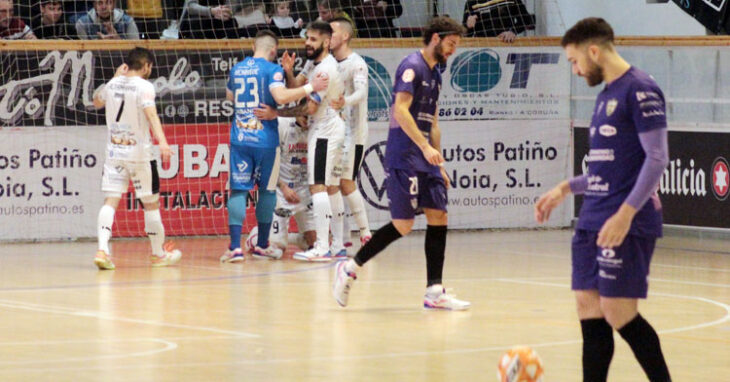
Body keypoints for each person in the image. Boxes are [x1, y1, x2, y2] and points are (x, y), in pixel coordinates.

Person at [534, 18, 671, 382]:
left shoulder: (640, 89)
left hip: (625, 221)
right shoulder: (605, 96)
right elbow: (606, 169)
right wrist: (565, 187)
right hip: (592, 218)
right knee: (588, 307)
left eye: (575, 61)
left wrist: (626, 214)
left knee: (618, 310)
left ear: (593, 51)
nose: (576, 70)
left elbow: (657, 158)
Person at [332, 16, 470, 310]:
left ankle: (434, 291)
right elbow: (400, 110)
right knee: (403, 224)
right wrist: (422, 146)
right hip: (404, 153)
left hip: (425, 156)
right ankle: (351, 267)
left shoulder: (437, 74)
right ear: (436, 38)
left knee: (439, 215)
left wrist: (439, 162)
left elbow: (433, 122)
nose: (452, 51)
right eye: (450, 44)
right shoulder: (412, 67)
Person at [220, 30, 329, 263]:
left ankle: (234, 248)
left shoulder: (237, 69)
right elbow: (280, 97)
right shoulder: (272, 69)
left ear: (253, 46)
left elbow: (230, 96)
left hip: (240, 138)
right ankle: (261, 245)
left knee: (238, 190)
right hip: (266, 141)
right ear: (273, 51)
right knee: (267, 191)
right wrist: (311, 87)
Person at [92, 47, 181, 270]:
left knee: (110, 201)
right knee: (150, 204)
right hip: (140, 154)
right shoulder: (145, 86)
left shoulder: (112, 83)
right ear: (146, 66)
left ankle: (102, 250)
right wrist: (163, 142)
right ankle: (158, 254)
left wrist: (114, 76)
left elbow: (96, 102)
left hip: (114, 153)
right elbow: (151, 114)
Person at [280, 21, 346, 262]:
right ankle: (337, 245)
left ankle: (322, 246)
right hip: (329, 127)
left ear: (326, 42)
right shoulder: (313, 63)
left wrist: (277, 113)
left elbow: (310, 106)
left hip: (325, 129)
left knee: (317, 186)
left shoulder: (325, 69)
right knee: (330, 187)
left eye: (313, 39)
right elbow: (297, 86)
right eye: (307, 38)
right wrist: (288, 70)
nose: (307, 42)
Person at [329, 17, 372, 251]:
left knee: (346, 182)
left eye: (332, 31)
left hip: (353, 134)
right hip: (334, 132)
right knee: (331, 184)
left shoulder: (357, 63)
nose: (329, 35)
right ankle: (342, 236)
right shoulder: (328, 63)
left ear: (345, 36)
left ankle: (365, 232)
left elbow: (362, 92)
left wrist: (345, 101)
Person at [268, 115, 316, 252]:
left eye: (310, 118)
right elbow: (269, 162)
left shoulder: (318, 128)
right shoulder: (282, 125)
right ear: (298, 112)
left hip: (304, 192)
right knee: (277, 251)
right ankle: (256, 238)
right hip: (282, 192)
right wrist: (283, 187)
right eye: (304, 116)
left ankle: (296, 239)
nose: (307, 120)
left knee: (314, 245)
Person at [462, 0, 534, 43]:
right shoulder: (471, 2)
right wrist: (468, 26)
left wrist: (512, 31)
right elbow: (464, 32)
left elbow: (526, 20)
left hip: (507, 44)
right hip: (482, 47)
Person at [76, 0, 140, 39]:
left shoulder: (128, 22)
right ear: (94, 5)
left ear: (114, 4)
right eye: (100, 3)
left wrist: (117, 40)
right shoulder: (82, 24)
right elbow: (83, 55)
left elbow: (137, 50)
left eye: (108, 2)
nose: (104, 7)